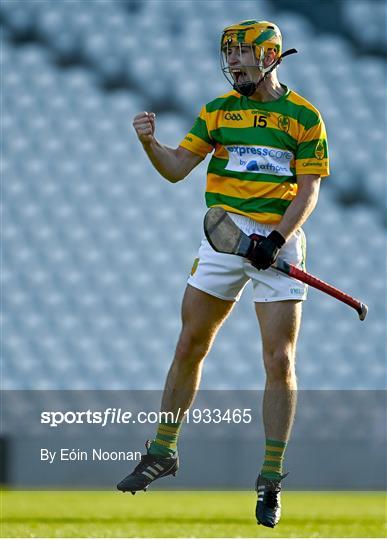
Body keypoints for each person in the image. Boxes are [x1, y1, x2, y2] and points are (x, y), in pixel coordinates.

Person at [117, 19, 329, 528]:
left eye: (242, 54)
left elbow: (308, 191)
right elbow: (175, 168)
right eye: (228, 54)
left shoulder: (303, 116)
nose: (232, 62)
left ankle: (271, 479)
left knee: (279, 358)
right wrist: (150, 143)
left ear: (270, 57)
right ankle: (163, 450)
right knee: (191, 342)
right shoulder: (215, 112)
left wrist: (276, 241)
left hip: (277, 240)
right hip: (223, 236)